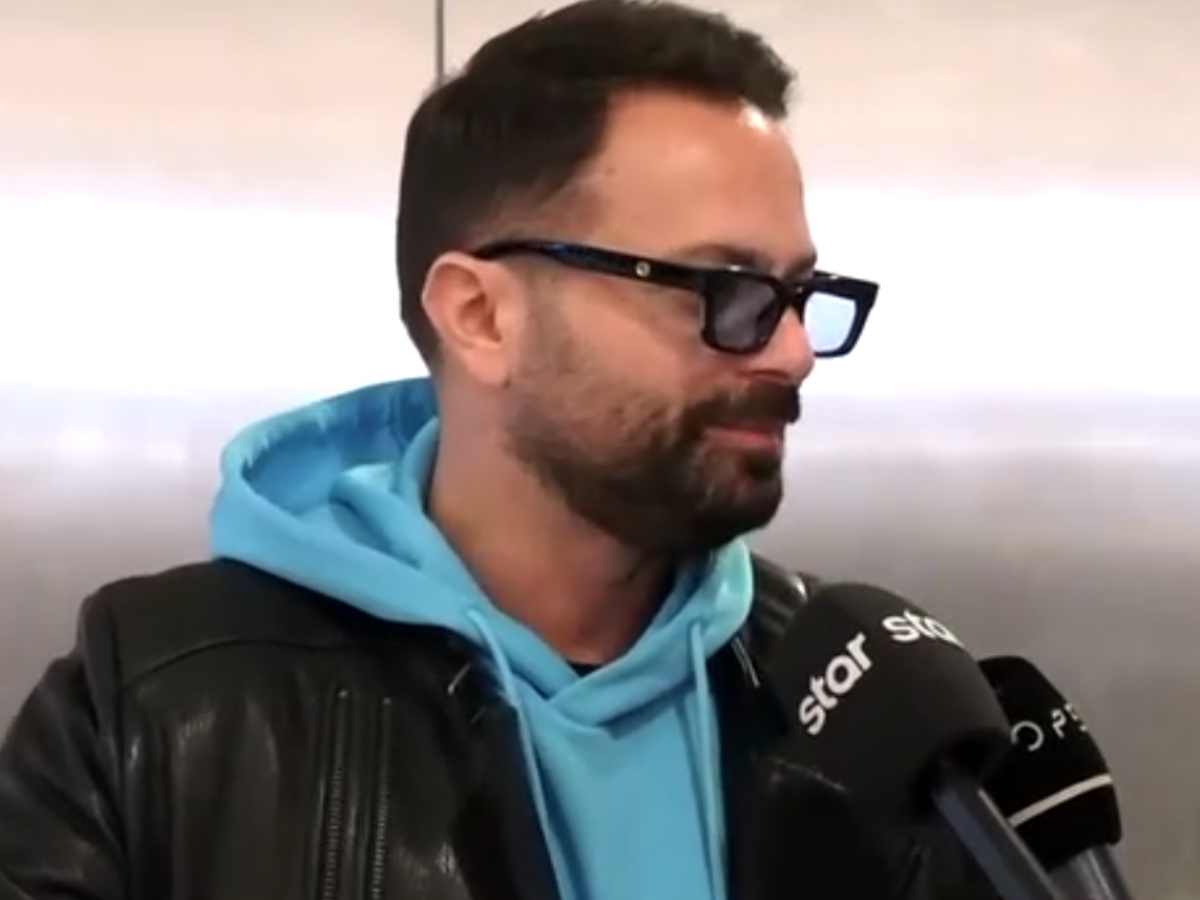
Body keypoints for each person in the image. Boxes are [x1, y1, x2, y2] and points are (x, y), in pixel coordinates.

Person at [0, 2, 985, 899]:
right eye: (725, 289)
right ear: (479, 316)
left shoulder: (862, 703)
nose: (794, 351)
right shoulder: (155, 706)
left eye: (800, 294)